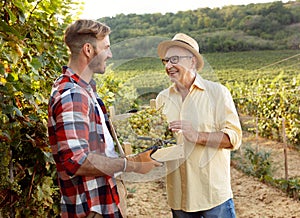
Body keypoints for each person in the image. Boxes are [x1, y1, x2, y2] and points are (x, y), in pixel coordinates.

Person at [47, 19, 161, 218]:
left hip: (103, 200)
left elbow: (98, 146)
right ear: (88, 50)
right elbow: (77, 161)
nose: (110, 54)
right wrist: (131, 164)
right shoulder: (73, 95)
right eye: (106, 47)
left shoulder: (86, 89)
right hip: (91, 208)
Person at [156, 33, 242, 218]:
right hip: (178, 197)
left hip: (213, 197)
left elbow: (233, 139)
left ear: (192, 61)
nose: (168, 66)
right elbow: (160, 142)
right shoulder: (161, 98)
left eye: (174, 59)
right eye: (166, 61)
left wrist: (197, 135)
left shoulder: (217, 93)